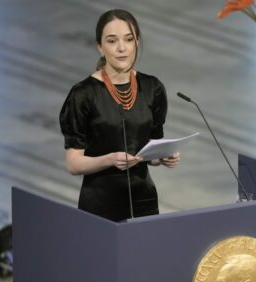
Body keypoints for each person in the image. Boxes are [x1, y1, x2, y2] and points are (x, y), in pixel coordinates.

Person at [59, 9, 180, 222]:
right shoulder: (83, 94)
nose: (122, 48)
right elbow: (73, 164)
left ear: (137, 42)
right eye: (112, 41)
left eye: (128, 39)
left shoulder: (152, 88)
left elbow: (149, 147)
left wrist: (161, 156)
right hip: (100, 206)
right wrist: (109, 159)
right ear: (100, 46)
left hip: (144, 202)